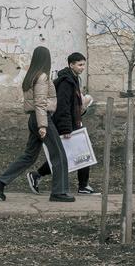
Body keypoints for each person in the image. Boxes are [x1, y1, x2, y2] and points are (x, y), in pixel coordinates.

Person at [0, 46, 74, 202]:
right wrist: (43, 126)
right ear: (46, 59)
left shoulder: (31, 76)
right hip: (42, 118)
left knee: (29, 156)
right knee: (59, 154)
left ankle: (1, 181)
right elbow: (40, 103)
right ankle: (59, 192)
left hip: (34, 118)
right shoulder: (42, 77)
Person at [27, 52, 97, 195]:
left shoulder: (74, 79)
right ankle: (37, 175)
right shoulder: (66, 81)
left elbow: (73, 104)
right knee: (67, 155)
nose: (82, 68)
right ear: (71, 65)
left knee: (82, 152)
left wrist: (83, 106)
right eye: (80, 65)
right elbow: (63, 106)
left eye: (84, 64)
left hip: (74, 122)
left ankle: (83, 185)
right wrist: (65, 128)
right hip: (67, 125)